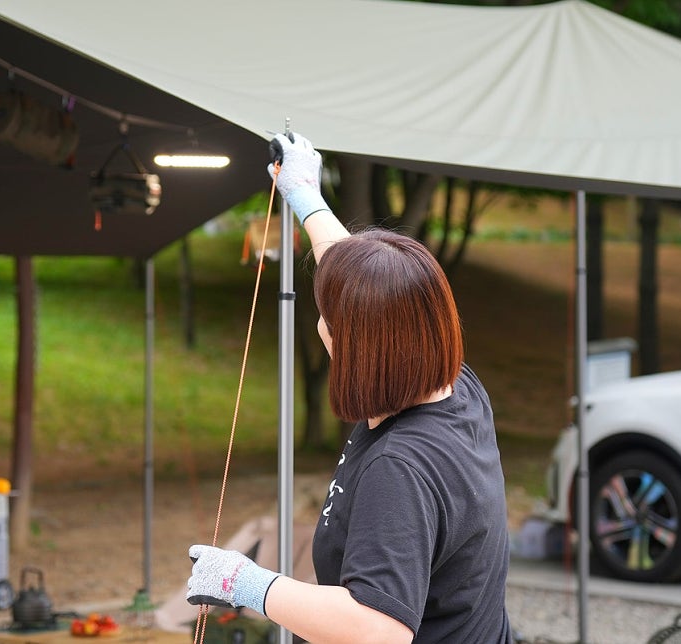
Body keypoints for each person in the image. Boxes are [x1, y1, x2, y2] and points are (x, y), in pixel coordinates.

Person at [186, 133, 513, 643]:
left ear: (363, 349)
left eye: (329, 321)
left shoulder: (400, 469)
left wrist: (249, 584)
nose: (321, 327)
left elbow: (378, 630)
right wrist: (305, 196)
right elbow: (367, 285)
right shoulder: (454, 385)